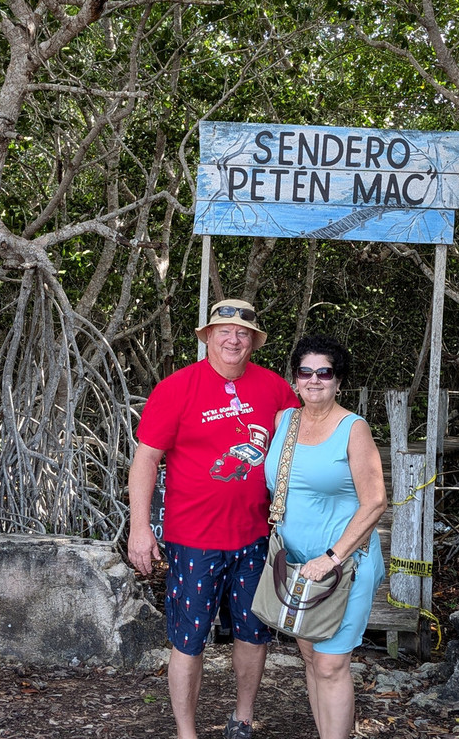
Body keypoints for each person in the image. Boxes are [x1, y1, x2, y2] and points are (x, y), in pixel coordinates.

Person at [127, 299, 299, 739]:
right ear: (207, 337)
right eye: (224, 331)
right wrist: (141, 527)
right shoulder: (176, 388)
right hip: (194, 539)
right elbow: (146, 460)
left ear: (253, 342)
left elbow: (300, 448)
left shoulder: (276, 389)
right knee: (189, 638)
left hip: (257, 535)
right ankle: (187, 732)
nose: (233, 339)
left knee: (253, 632)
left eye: (243, 333)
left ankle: (242, 719)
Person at [263, 334, 387, 739]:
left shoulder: (353, 429)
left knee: (332, 663)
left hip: (343, 565)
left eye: (324, 372)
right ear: (295, 378)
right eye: (305, 372)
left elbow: (375, 503)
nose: (314, 380)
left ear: (338, 381)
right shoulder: (284, 421)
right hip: (297, 563)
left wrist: (332, 556)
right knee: (310, 657)